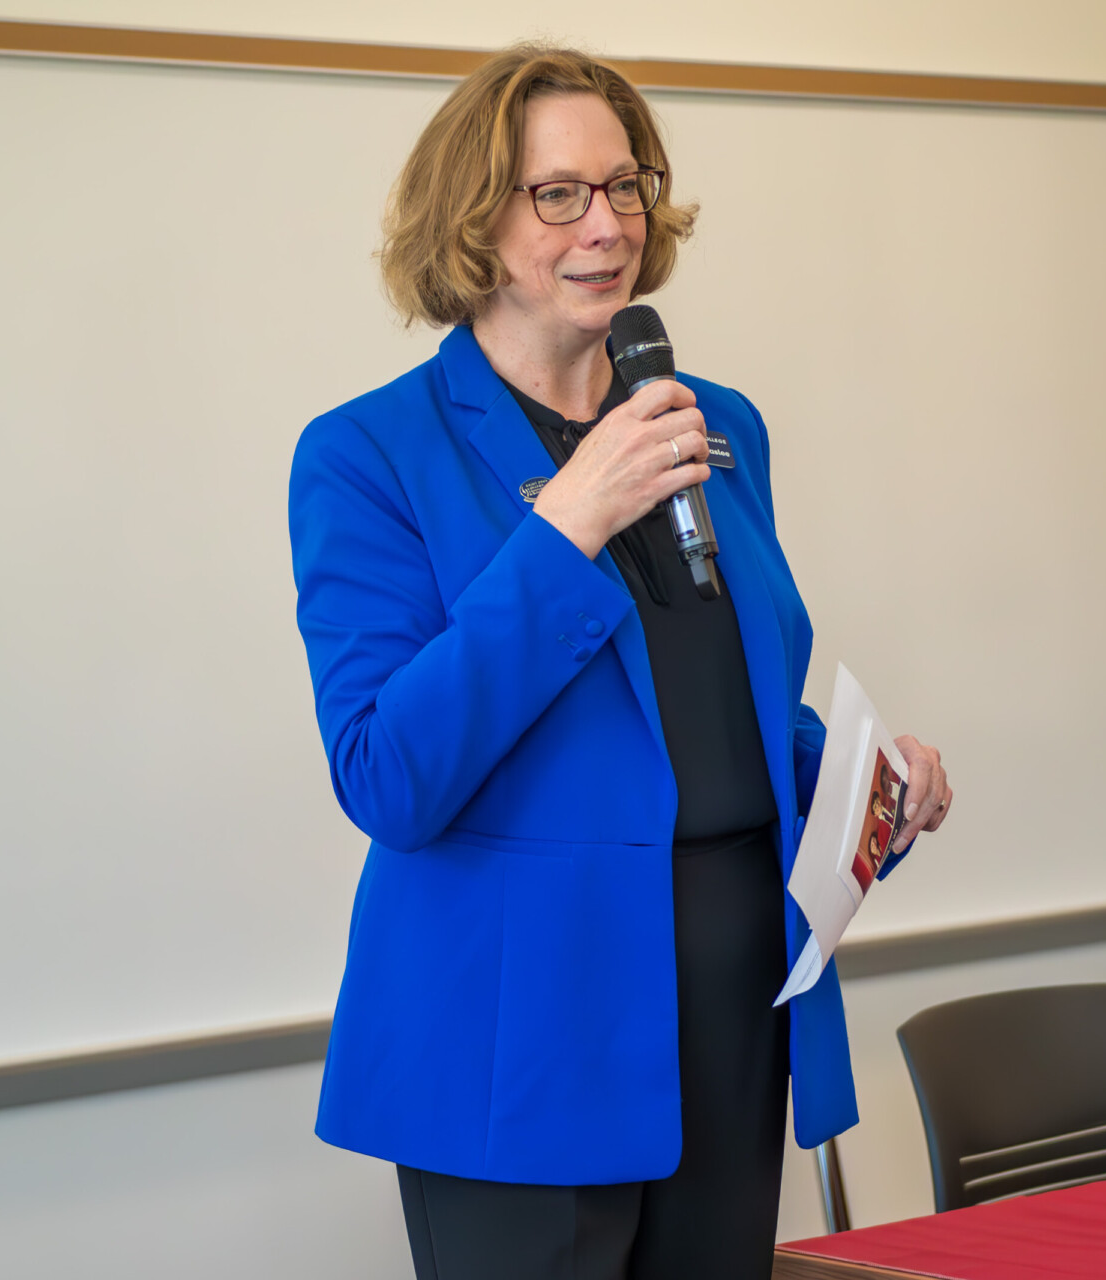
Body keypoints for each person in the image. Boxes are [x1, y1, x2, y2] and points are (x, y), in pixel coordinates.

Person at [287, 44, 952, 1280]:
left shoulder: (716, 421)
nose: (608, 224)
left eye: (626, 184)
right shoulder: (368, 454)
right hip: (520, 1048)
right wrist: (567, 527)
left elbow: (726, 712)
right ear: (473, 219)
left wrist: (866, 786)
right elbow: (388, 774)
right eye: (559, 194)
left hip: (731, 1018)